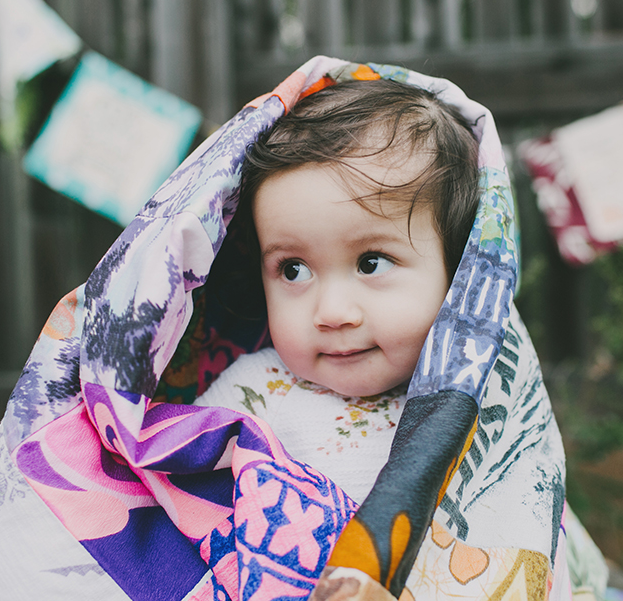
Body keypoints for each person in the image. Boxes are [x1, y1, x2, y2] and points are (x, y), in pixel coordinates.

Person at [193, 78, 481, 504]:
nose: (331, 312)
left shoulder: (489, 395)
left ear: (460, 270)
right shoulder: (253, 390)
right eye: (293, 270)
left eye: (371, 263)